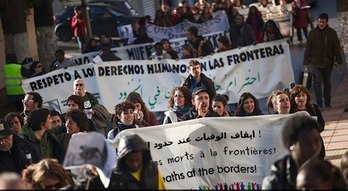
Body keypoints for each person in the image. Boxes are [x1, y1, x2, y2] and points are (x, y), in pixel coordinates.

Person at [262, 112, 322, 189]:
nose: (313, 147)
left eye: (316, 141)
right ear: (290, 144)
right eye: (306, 143)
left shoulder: (330, 174)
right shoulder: (274, 182)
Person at [303, 13, 342, 109]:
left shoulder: (332, 33)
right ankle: (319, 104)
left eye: (323, 22)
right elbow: (308, 48)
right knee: (317, 81)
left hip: (328, 62)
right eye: (319, 21)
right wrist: (306, 62)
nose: (321, 24)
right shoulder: (312, 33)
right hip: (315, 63)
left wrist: (337, 60)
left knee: (327, 82)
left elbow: (336, 47)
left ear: (327, 22)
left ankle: (327, 103)